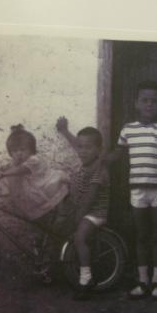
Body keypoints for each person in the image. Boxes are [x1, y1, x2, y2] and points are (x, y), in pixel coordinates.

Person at [108, 80, 157, 299]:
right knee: (141, 236)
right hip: (137, 191)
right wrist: (98, 159)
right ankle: (142, 280)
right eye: (145, 100)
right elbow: (117, 154)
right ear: (136, 103)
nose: (149, 105)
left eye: (154, 101)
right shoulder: (128, 130)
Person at [0, 125, 70, 282]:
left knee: (50, 238)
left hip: (51, 200)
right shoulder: (13, 165)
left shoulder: (34, 161)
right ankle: (43, 267)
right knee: (39, 238)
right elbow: (5, 170)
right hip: (37, 207)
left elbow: (21, 170)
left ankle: (50, 269)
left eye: (23, 149)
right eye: (15, 151)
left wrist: (2, 174)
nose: (19, 153)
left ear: (31, 150)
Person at [56, 122, 111, 300]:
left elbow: (90, 199)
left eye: (88, 148)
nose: (82, 151)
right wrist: (65, 131)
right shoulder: (86, 164)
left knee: (79, 237)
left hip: (95, 213)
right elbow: (77, 143)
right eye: (80, 147)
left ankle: (86, 279)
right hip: (81, 210)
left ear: (98, 150)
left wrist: (77, 217)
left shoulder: (98, 171)